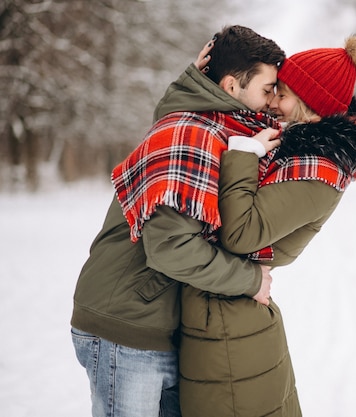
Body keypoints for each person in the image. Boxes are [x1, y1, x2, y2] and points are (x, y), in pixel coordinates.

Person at [161, 35, 356, 416]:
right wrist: (199, 82)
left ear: (310, 107)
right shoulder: (295, 146)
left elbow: (241, 235)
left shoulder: (318, 169)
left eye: (284, 94)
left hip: (231, 324)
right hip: (221, 311)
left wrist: (243, 154)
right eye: (273, 90)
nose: (273, 101)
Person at [69, 25, 286, 417]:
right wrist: (250, 280)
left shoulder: (214, 126)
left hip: (157, 324)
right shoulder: (189, 135)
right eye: (267, 89)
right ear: (231, 86)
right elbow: (171, 248)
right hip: (126, 328)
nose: (273, 101)